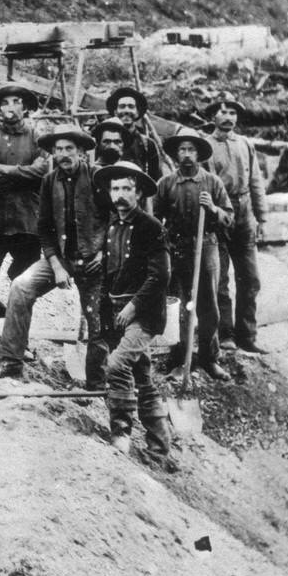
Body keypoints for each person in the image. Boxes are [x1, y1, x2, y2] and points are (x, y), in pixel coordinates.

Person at [0, 125, 108, 389]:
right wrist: (56, 265)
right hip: (62, 259)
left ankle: (96, 384)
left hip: (95, 262)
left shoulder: (98, 177)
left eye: (69, 149)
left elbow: (115, 220)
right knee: (21, 286)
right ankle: (11, 361)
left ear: (81, 152)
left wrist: (101, 252)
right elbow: (44, 227)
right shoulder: (50, 180)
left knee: (96, 320)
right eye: (58, 149)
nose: (64, 154)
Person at [96, 162, 173, 465]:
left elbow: (160, 277)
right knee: (142, 377)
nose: (120, 195)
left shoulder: (152, 227)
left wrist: (133, 306)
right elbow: (108, 273)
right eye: (115, 189)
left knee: (115, 366)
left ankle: (121, 432)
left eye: (127, 189)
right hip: (118, 311)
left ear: (139, 193)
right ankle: (160, 450)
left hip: (144, 313)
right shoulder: (113, 226)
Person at [154, 127, 233, 381]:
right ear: (176, 154)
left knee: (208, 306)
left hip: (206, 246)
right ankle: (180, 361)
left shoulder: (212, 182)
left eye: (191, 150)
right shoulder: (166, 183)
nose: (187, 155)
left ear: (198, 154)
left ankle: (210, 359)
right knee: (180, 306)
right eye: (182, 150)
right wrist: (163, 239)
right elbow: (156, 219)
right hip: (177, 249)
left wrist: (213, 209)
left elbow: (229, 218)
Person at [0, 84, 47, 348]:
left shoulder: (38, 137)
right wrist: (23, 174)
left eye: (16, 102)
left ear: (25, 107)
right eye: (5, 103)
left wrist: (7, 170)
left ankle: (18, 340)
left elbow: (43, 171)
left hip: (28, 222)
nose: (10, 107)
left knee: (24, 284)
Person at [206, 96, 268, 354]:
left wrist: (261, 218)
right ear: (213, 117)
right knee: (219, 279)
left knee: (250, 278)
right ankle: (225, 334)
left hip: (244, 214)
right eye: (223, 112)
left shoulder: (245, 144)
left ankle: (248, 335)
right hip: (219, 213)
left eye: (232, 112)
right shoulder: (206, 147)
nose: (228, 117)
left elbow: (256, 182)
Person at [103, 86, 163, 181]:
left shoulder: (148, 145)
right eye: (122, 106)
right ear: (115, 112)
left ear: (137, 112)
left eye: (131, 107)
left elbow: (156, 180)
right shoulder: (104, 142)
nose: (126, 110)